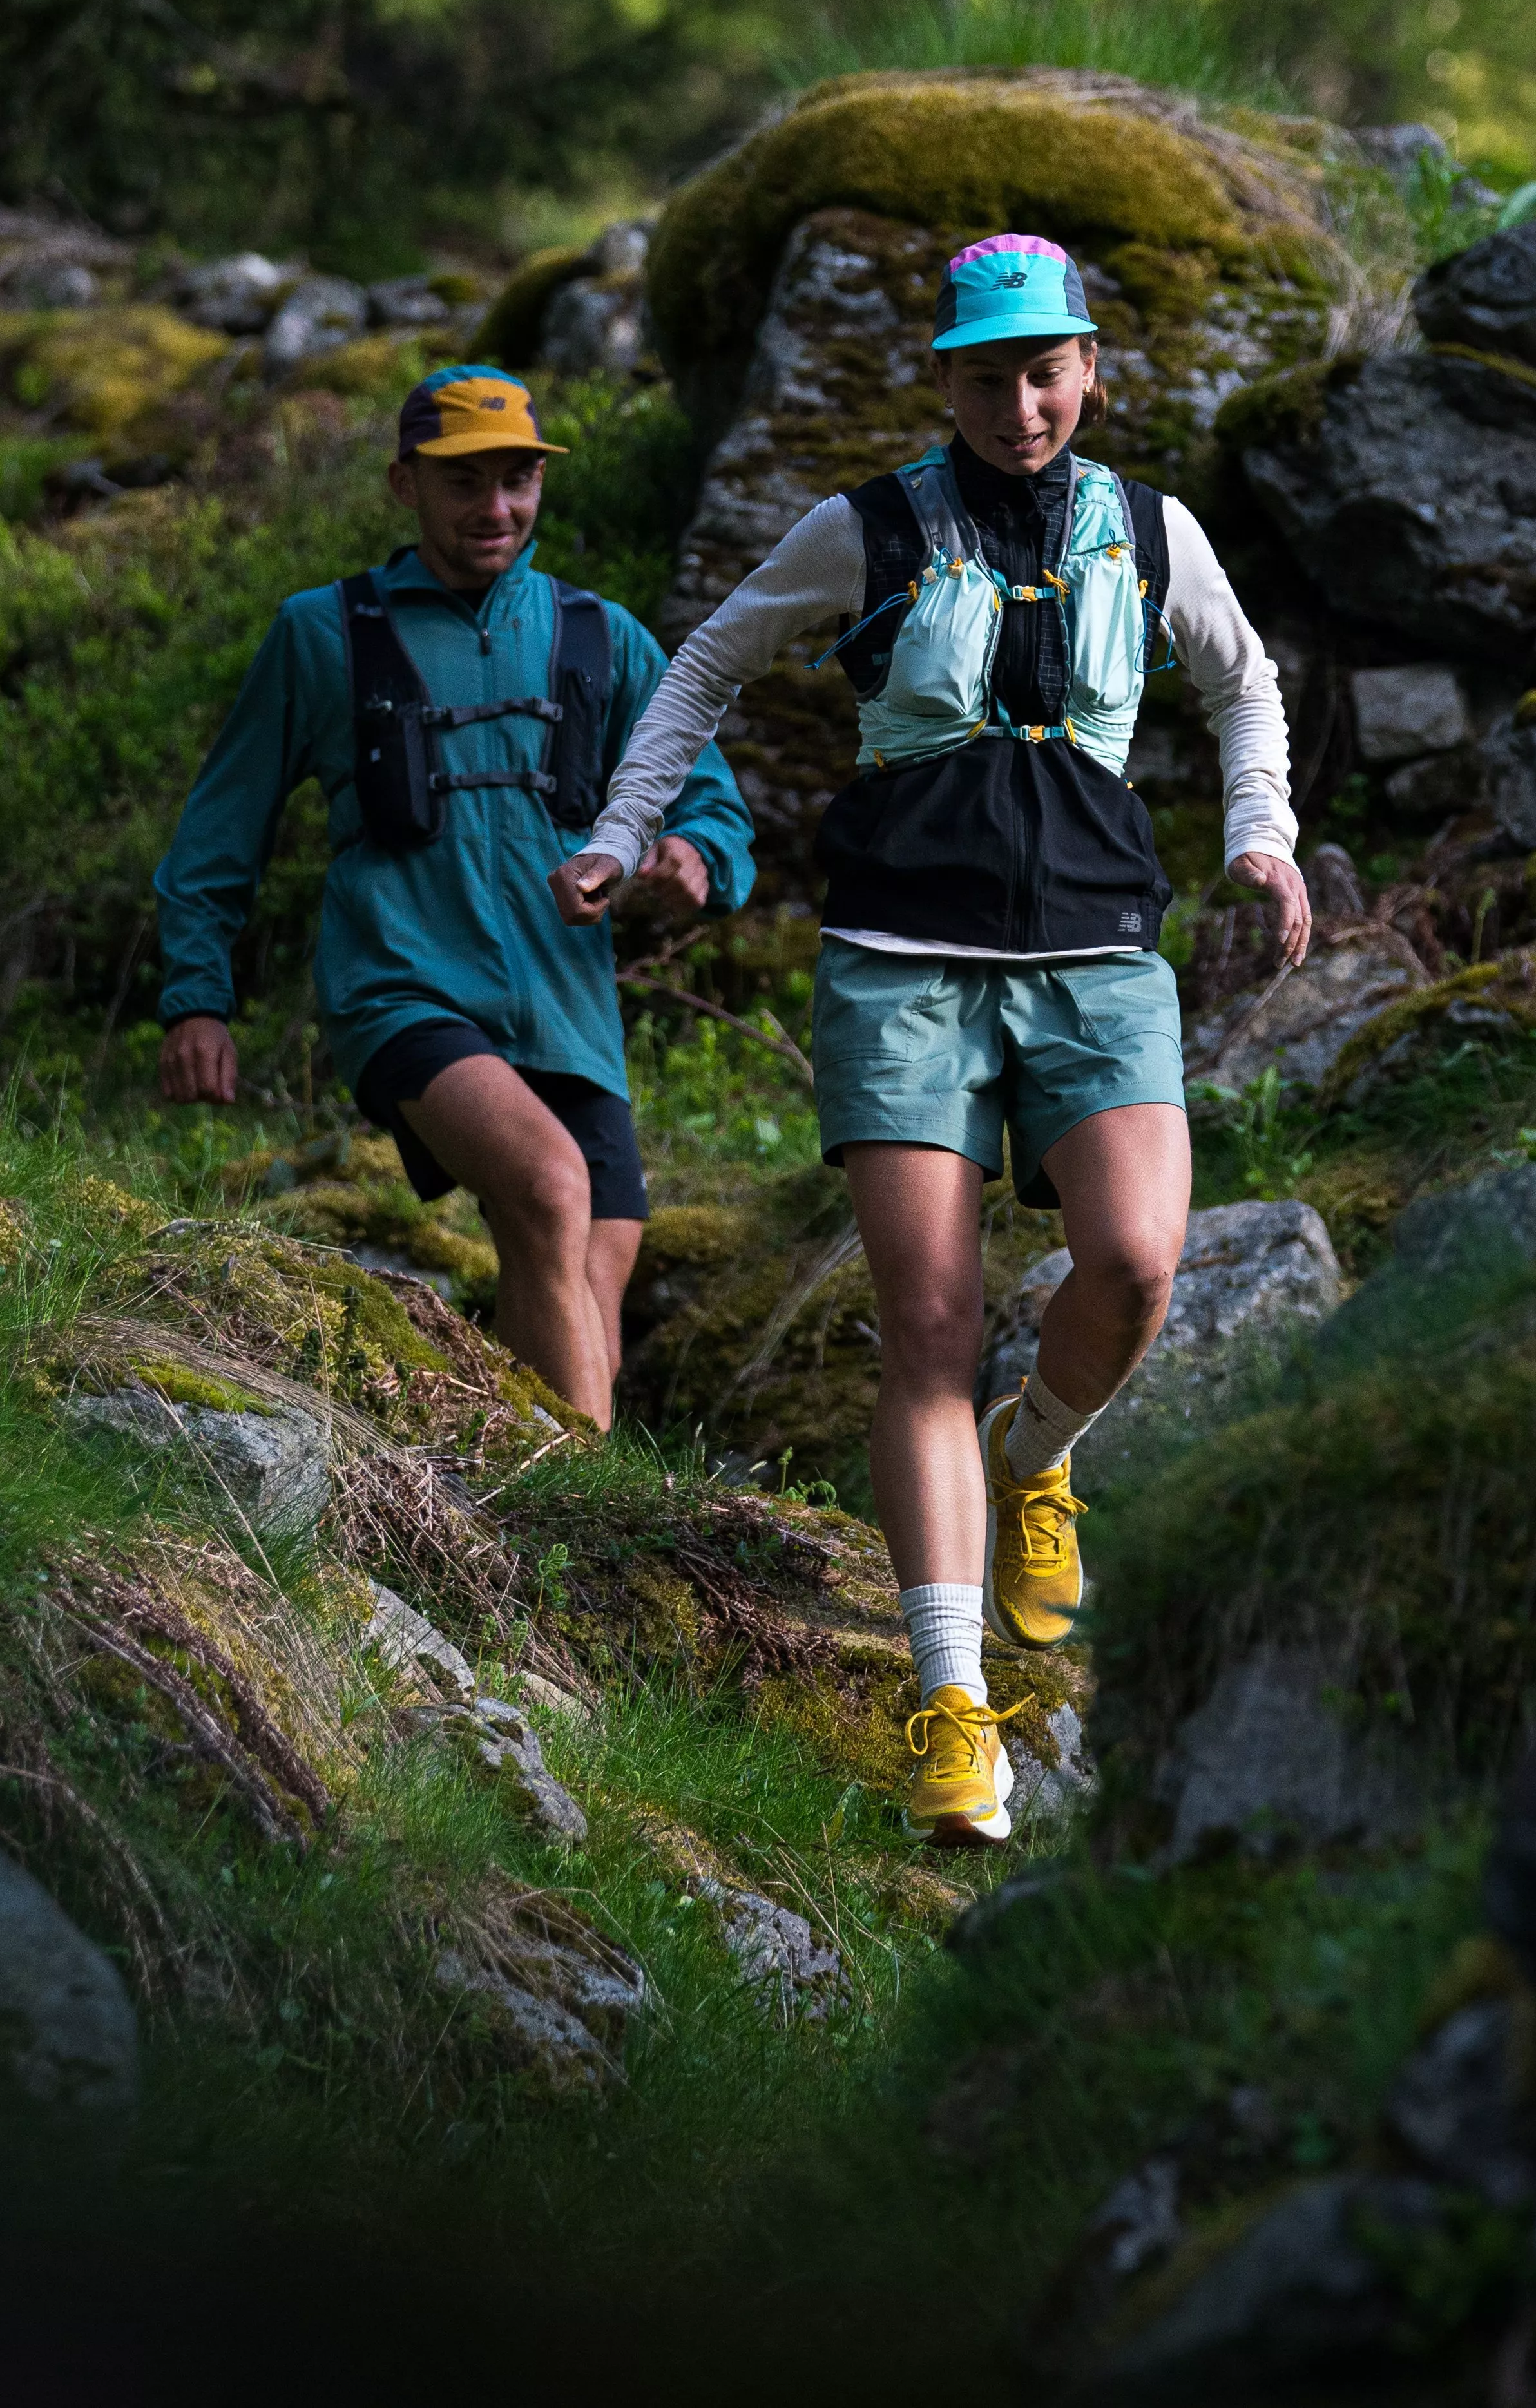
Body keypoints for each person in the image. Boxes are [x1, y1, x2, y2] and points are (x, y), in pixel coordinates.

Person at [553, 234, 1309, 1844]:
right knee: (933, 1325)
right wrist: (628, 825)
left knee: (1137, 1260)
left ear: (1091, 371)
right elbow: (704, 665)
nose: (1020, 404)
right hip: (901, 963)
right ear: (945, 381)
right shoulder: (871, 530)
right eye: (986, 376)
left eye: (1046, 373)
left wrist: (1264, 829)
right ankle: (950, 1704)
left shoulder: (1153, 530)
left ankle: (1037, 1466)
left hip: (1101, 951)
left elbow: (1248, 690)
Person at [151, 363, 756, 1426]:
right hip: (402, 985)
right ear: (404, 485)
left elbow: (709, 795)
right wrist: (197, 997)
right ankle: (601, 1529)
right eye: (465, 482)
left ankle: (513, 1492)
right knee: (547, 1188)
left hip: (567, 1010)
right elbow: (220, 829)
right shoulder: (322, 633)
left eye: (518, 480)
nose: (496, 509)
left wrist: (695, 851)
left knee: (595, 1269)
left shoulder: (600, 636)